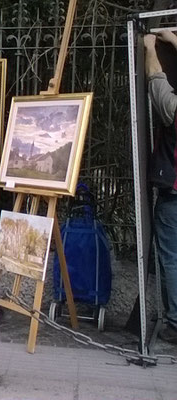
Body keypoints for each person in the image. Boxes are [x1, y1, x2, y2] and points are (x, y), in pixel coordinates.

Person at [144, 31, 177, 344]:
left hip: (174, 194)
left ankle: (176, 324)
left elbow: (158, 86)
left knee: (172, 259)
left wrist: (150, 47)